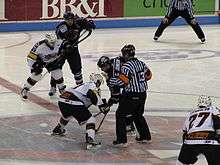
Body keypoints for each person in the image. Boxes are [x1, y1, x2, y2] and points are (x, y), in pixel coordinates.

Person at [51, 73, 110, 149]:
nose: (99, 84)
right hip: (73, 101)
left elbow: (88, 101)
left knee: (68, 115)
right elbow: (91, 94)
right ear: (97, 81)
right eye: (99, 82)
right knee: (91, 119)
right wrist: (102, 106)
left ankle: (58, 129)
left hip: (62, 100)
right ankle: (90, 139)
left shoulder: (83, 85)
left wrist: (102, 104)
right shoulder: (92, 85)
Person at [108, 44, 152, 146]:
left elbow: (124, 82)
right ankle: (145, 136)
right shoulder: (142, 64)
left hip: (131, 95)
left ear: (126, 55)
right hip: (143, 94)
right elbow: (149, 76)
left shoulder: (126, 66)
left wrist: (112, 80)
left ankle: (121, 140)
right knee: (138, 114)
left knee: (120, 114)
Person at [48, 11, 95, 96]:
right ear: (64, 19)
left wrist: (90, 24)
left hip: (73, 50)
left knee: (77, 68)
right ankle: (53, 86)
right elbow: (59, 40)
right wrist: (66, 45)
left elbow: (86, 22)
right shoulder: (61, 28)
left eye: (71, 19)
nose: (70, 21)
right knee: (56, 68)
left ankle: (80, 87)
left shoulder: (78, 23)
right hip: (62, 50)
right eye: (67, 19)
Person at [97, 55, 136, 136]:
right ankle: (129, 125)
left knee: (123, 105)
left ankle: (129, 126)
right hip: (131, 80)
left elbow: (116, 94)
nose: (101, 69)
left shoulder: (112, 76)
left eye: (102, 67)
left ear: (107, 65)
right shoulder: (112, 62)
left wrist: (110, 102)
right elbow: (120, 58)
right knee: (124, 103)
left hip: (131, 85)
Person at [176, 95, 220, 165]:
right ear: (209, 103)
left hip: (190, 140)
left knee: (181, 163)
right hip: (210, 141)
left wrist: (187, 149)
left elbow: (185, 131)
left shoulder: (192, 113)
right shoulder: (213, 109)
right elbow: (218, 123)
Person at [21, 33, 66, 99]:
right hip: (40, 62)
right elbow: (30, 57)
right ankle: (25, 89)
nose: (53, 44)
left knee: (58, 73)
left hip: (52, 61)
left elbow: (66, 45)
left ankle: (62, 89)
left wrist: (68, 48)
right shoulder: (39, 46)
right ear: (46, 41)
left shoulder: (59, 42)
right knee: (37, 76)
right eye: (51, 42)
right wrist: (34, 66)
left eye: (54, 42)